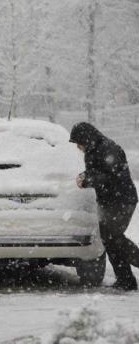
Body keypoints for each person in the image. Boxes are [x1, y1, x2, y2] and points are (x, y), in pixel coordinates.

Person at [70, 122, 139, 291]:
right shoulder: (93, 149)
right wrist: (85, 176)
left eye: (79, 143)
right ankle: (125, 279)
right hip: (110, 201)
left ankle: (127, 278)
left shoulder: (108, 149)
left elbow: (110, 176)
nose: (78, 147)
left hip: (122, 200)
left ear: (86, 139)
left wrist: (88, 180)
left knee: (113, 238)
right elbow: (97, 172)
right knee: (111, 239)